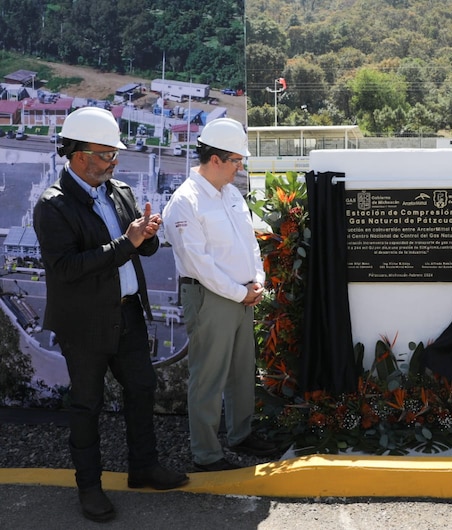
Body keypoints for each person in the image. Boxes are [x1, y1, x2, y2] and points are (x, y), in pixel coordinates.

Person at [33, 107, 189, 523]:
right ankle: (89, 488)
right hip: (84, 325)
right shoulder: (53, 205)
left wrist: (147, 236)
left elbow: (139, 247)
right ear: (79, 155)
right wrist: (127, 241)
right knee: (87, 405)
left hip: (127, 316)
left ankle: (144, 468)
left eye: (114, 155)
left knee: (142, 389)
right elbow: (66, 268)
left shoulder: (119, 191)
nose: (113, 162)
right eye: (106, 155)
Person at [162, 118, 276, 472]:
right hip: (212, 298)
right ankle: (207, 453)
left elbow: (248, 244)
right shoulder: (186, 202)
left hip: (242, 296)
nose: (240, 167)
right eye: (236, 160)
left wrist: (256, 281)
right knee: (209, 376)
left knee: (242, 371)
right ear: (215, 159)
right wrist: (239, 293)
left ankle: (241, 434)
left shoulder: (231, 194)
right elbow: (200, 264)